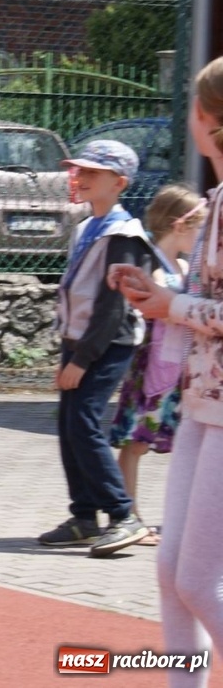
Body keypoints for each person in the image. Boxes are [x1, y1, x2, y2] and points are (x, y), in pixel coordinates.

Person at [117, 56, 223, 686]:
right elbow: (205, 298)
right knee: (170, 572)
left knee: (199, 579)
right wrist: (157, 293)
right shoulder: (214, 201)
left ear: (205, 116)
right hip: (201, 400)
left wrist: (173, 306)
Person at [39, 138, 155, 557]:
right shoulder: (87, 227)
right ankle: (85, 517)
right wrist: (69, 351)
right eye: (80, 170)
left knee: (84, 424)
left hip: (109, 343)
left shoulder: (124, 235)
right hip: (78, 341)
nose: (81, 177)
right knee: (69, 425)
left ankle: (124, 516)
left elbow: (112, 306)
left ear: (119, 182)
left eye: (93, 172)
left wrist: (83, 360)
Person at [110, 183, 204, 547]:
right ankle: (129, 516)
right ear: (180, 226)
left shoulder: (183, 267)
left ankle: (183, 520)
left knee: (185, 443)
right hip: (153, 369)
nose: (201, 239)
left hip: (180, 370)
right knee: (136, 443)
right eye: (199, 230)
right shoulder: (155, 269)